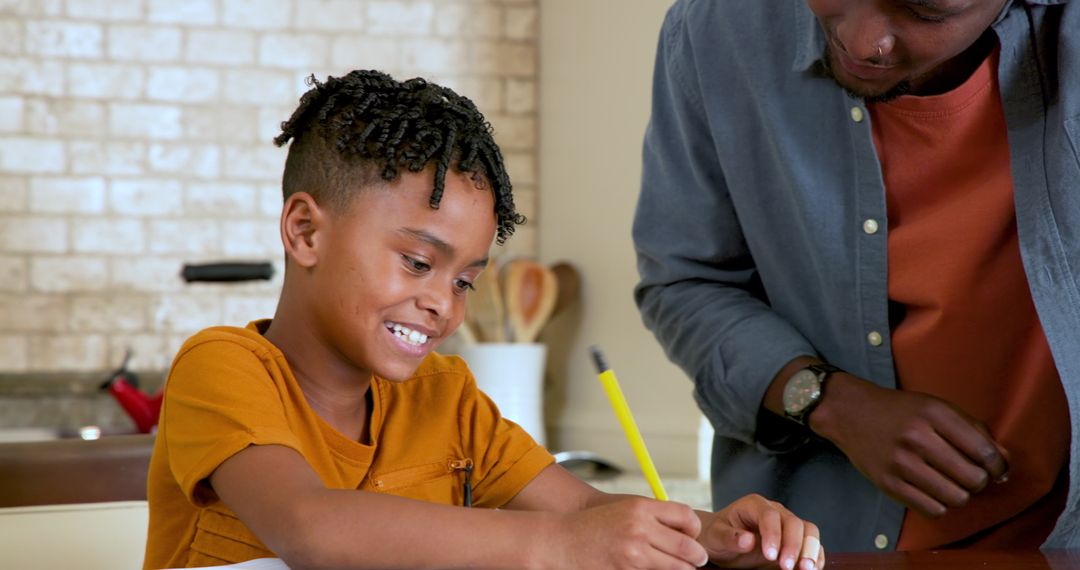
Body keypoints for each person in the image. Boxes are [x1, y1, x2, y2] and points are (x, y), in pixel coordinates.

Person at [144, 69, 825, 570]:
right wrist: (558, 547)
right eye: (417, 261)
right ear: (305, 231)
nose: (445, 301)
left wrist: (717, 537)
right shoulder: (224, 368)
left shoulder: (447, 399)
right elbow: (310, 527)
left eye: (465, 279)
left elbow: (586, 513)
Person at [632, 0, 1080, 554]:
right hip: (816, 546)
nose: (865, 41)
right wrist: (828, 401)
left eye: (928, 11)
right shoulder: (715, 32)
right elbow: (685, 283)